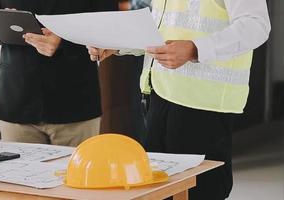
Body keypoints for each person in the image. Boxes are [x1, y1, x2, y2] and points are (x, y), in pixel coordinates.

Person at [87, 0, 271, 199]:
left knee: (201, 191)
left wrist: (196, 49)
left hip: (204, 104)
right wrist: (119, 46)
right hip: (159, 95)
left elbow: (256, 25)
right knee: (160, 188)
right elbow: (164, 31)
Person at [0, 0, 117, 147]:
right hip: (17, 105)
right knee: (16, 174)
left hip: (76, 104)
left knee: (77, 174)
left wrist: (64, 42)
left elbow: (110, 26)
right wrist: (5, 26)